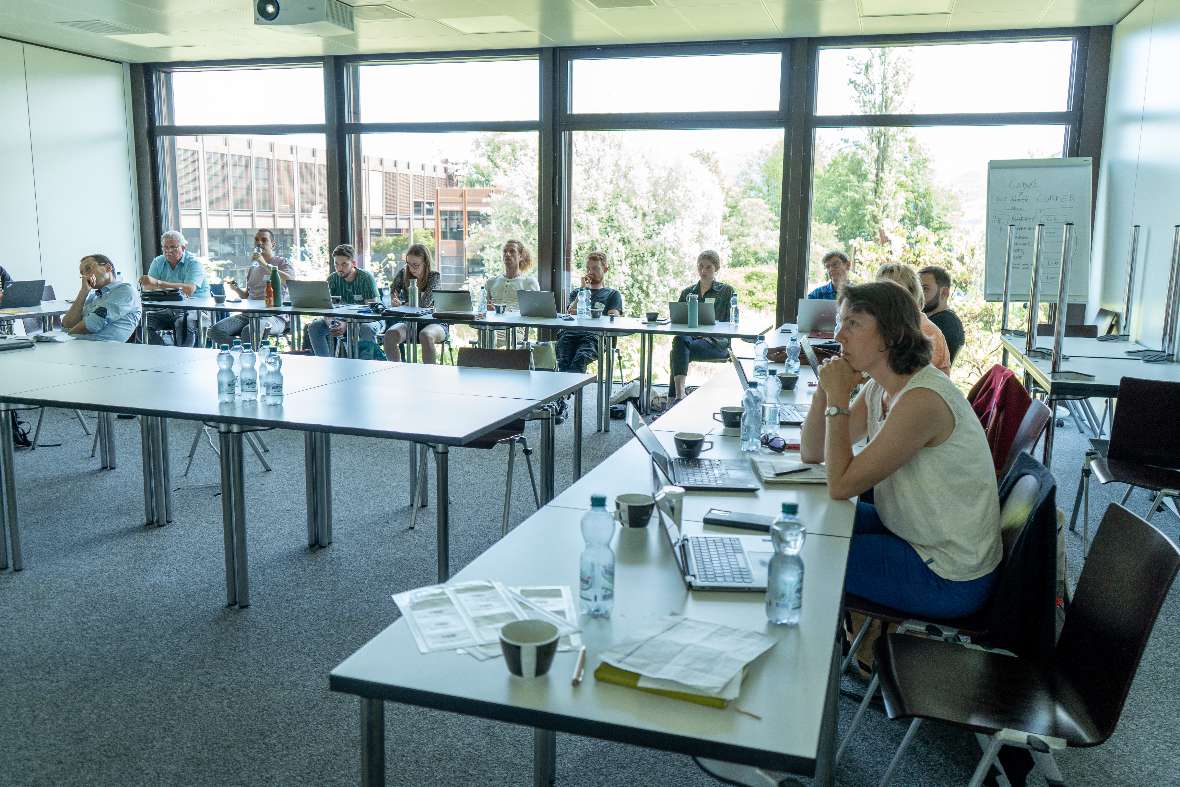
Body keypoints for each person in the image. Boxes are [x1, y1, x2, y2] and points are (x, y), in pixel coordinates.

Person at [800, 281, 1001, 620]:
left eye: (853, 324)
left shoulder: (923, 400)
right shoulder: (882, 385)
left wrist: (837, 400)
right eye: (840, 322)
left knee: (811, 554)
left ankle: (817, 666)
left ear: (890, 336)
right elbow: (812, 452)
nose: (839, 335)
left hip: (947, 573)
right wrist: (826, 386)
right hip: (909, 530)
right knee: (806, 521)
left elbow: (841, 484)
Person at [668, 250, 736, 402]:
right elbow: (678, 321)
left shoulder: (726, 291)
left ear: (716, 269)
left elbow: (732, 324)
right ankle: (679, 396)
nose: (703, 271)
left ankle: (674, 399)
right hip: (690, 341)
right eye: (700, 266)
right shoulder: (687, 292)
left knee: (677, 353)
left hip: (716, 343)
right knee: (679, 342)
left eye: (708, 267)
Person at [208, 229, 294, 347]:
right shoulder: (253, 267)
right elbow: (247, 296)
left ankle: (248, 355)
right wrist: (236, 289)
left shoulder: (281, 262)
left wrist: (264, 264)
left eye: (264, 240)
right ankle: (244, 350)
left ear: (273, 244)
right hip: (249, 314)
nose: (259, 243)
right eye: (256, 240)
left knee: (248, 331)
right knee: (215, 331)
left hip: (274, 316)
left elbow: (290, 280)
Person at [306, 243, 381, 357]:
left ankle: (368, 365)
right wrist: (332, 324)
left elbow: (372, 312)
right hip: (341, 320)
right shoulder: (332, 279)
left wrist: (347, 324)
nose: (339, 268)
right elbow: (327, 309)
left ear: (353, 264)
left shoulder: (366, 278)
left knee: (366, 329)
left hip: (370, 320)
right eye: (336, 264)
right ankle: (324, 362)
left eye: (344, 264)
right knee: (314, 327)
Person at [875, 263, 951, 375]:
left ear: (912, 293)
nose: (887, 296)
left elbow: (904, 378)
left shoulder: (925, 330)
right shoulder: (890, 324)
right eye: (881, 290)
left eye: (895, 289)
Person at [555, 251, 624, 374]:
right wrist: (583, 290)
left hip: (595, 336)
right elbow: (571, 311)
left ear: (605, 269)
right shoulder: (577, 292)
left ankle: (570, 391)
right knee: (563, 361)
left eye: (595, 268)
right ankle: (568, 391)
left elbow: (614, 317)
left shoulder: (612, 294)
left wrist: (584, 313)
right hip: (570, 333)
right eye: (588, 268)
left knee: (580, 359)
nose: (590, 272)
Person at [141, 230, 208, 346]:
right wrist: (154, 284)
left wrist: (158, 283)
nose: (168, 251)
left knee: (182, 323)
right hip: (166, 309)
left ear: (183, 247)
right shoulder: (158, 262)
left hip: (194, 310)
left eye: (173, 247)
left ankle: (183, 358)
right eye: (165, 247)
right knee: (142, 322)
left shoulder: (194, 263)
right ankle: (164, 354)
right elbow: (147, 287)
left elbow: (188, 290)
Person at [382, 244, 447, 364]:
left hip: (435, 322)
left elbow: (424, 304)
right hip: (411, 323)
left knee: (426, 335)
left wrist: (402, 304)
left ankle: (429, 376)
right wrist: (394, 299)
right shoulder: (404, 273)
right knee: (390, 335)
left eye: (416, 265)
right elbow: (392, 290)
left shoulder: (434, 277)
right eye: (408, 264)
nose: (411, 268)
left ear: (425, 263)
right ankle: (396, 372)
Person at [61, 254, 142, 343]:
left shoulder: (125, 290)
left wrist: (64, 338)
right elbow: (67, 324)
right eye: (82, 273)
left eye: (88, 269)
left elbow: (92, 324)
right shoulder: (94, 296)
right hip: (81, 347)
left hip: (102, 351)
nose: (85, 276)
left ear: (108, 268)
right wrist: (83, 292)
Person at [919, 265, 966, 364]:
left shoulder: (945, 322)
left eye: (925, 289)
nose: (919, 294)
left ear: (944, 292)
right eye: (917, 288)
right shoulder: (944, 319)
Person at [485, 239, 539, 309]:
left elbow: (535, 311)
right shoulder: (491, 282)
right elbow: (482, 309)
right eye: (505, 251)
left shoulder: (529, 282)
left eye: (512, 251)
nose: (507, 254)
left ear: (521, 256)